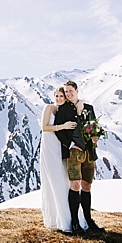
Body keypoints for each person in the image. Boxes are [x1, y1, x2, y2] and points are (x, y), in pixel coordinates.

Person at [53, 80, 105, 235]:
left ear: (77, 91)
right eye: (66, 91)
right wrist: (70, 145)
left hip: (89, 151)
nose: (68, 94)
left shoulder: (88, 108)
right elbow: (59, 131)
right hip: (74, 153)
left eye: (71, 91)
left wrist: (95, 137)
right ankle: (75, 222)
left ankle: (88, 220)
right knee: (75, 185)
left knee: (87, 186)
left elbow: (94, 126)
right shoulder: (63, 109)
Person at [39, 87, 79, 232]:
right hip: (48, 147)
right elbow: (44, 127)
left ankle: (64, 217)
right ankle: (55, 219)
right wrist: (63, 126)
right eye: (56, 96)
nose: (58, 98)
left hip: (58, 146)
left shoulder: (61, 110)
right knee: (53, 180)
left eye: (61, 96)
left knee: (62, 180)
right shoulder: (49, 108)